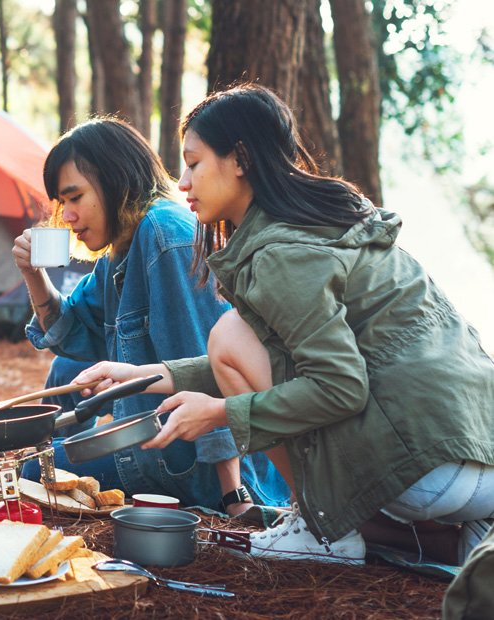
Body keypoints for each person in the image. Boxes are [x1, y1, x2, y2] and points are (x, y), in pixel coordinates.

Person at [77, 84, 494, 566]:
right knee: (235, 338)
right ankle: (451, 531)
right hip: (475, 452)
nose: (183, 181)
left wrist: (218, 414)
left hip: (429, 471)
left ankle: (322, 533)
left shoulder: (281, 253)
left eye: (193, 163)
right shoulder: (321, 219)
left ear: (239, 159)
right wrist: (145, 376)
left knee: (230, 334)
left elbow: (340, 388)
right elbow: (279, 360)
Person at [13, 118, 288, 516]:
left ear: (115, 180)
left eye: (76, 197)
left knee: (27, 474)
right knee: (64, 369)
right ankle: (46, 453)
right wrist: (34, 275)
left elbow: (211, 365)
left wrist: (233, 498)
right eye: (62, 203)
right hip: (156, 442)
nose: (68, 216)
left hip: (191, 464)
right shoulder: (121, 249)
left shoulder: (164, 236)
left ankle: (39, 460)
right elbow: (70, 332)